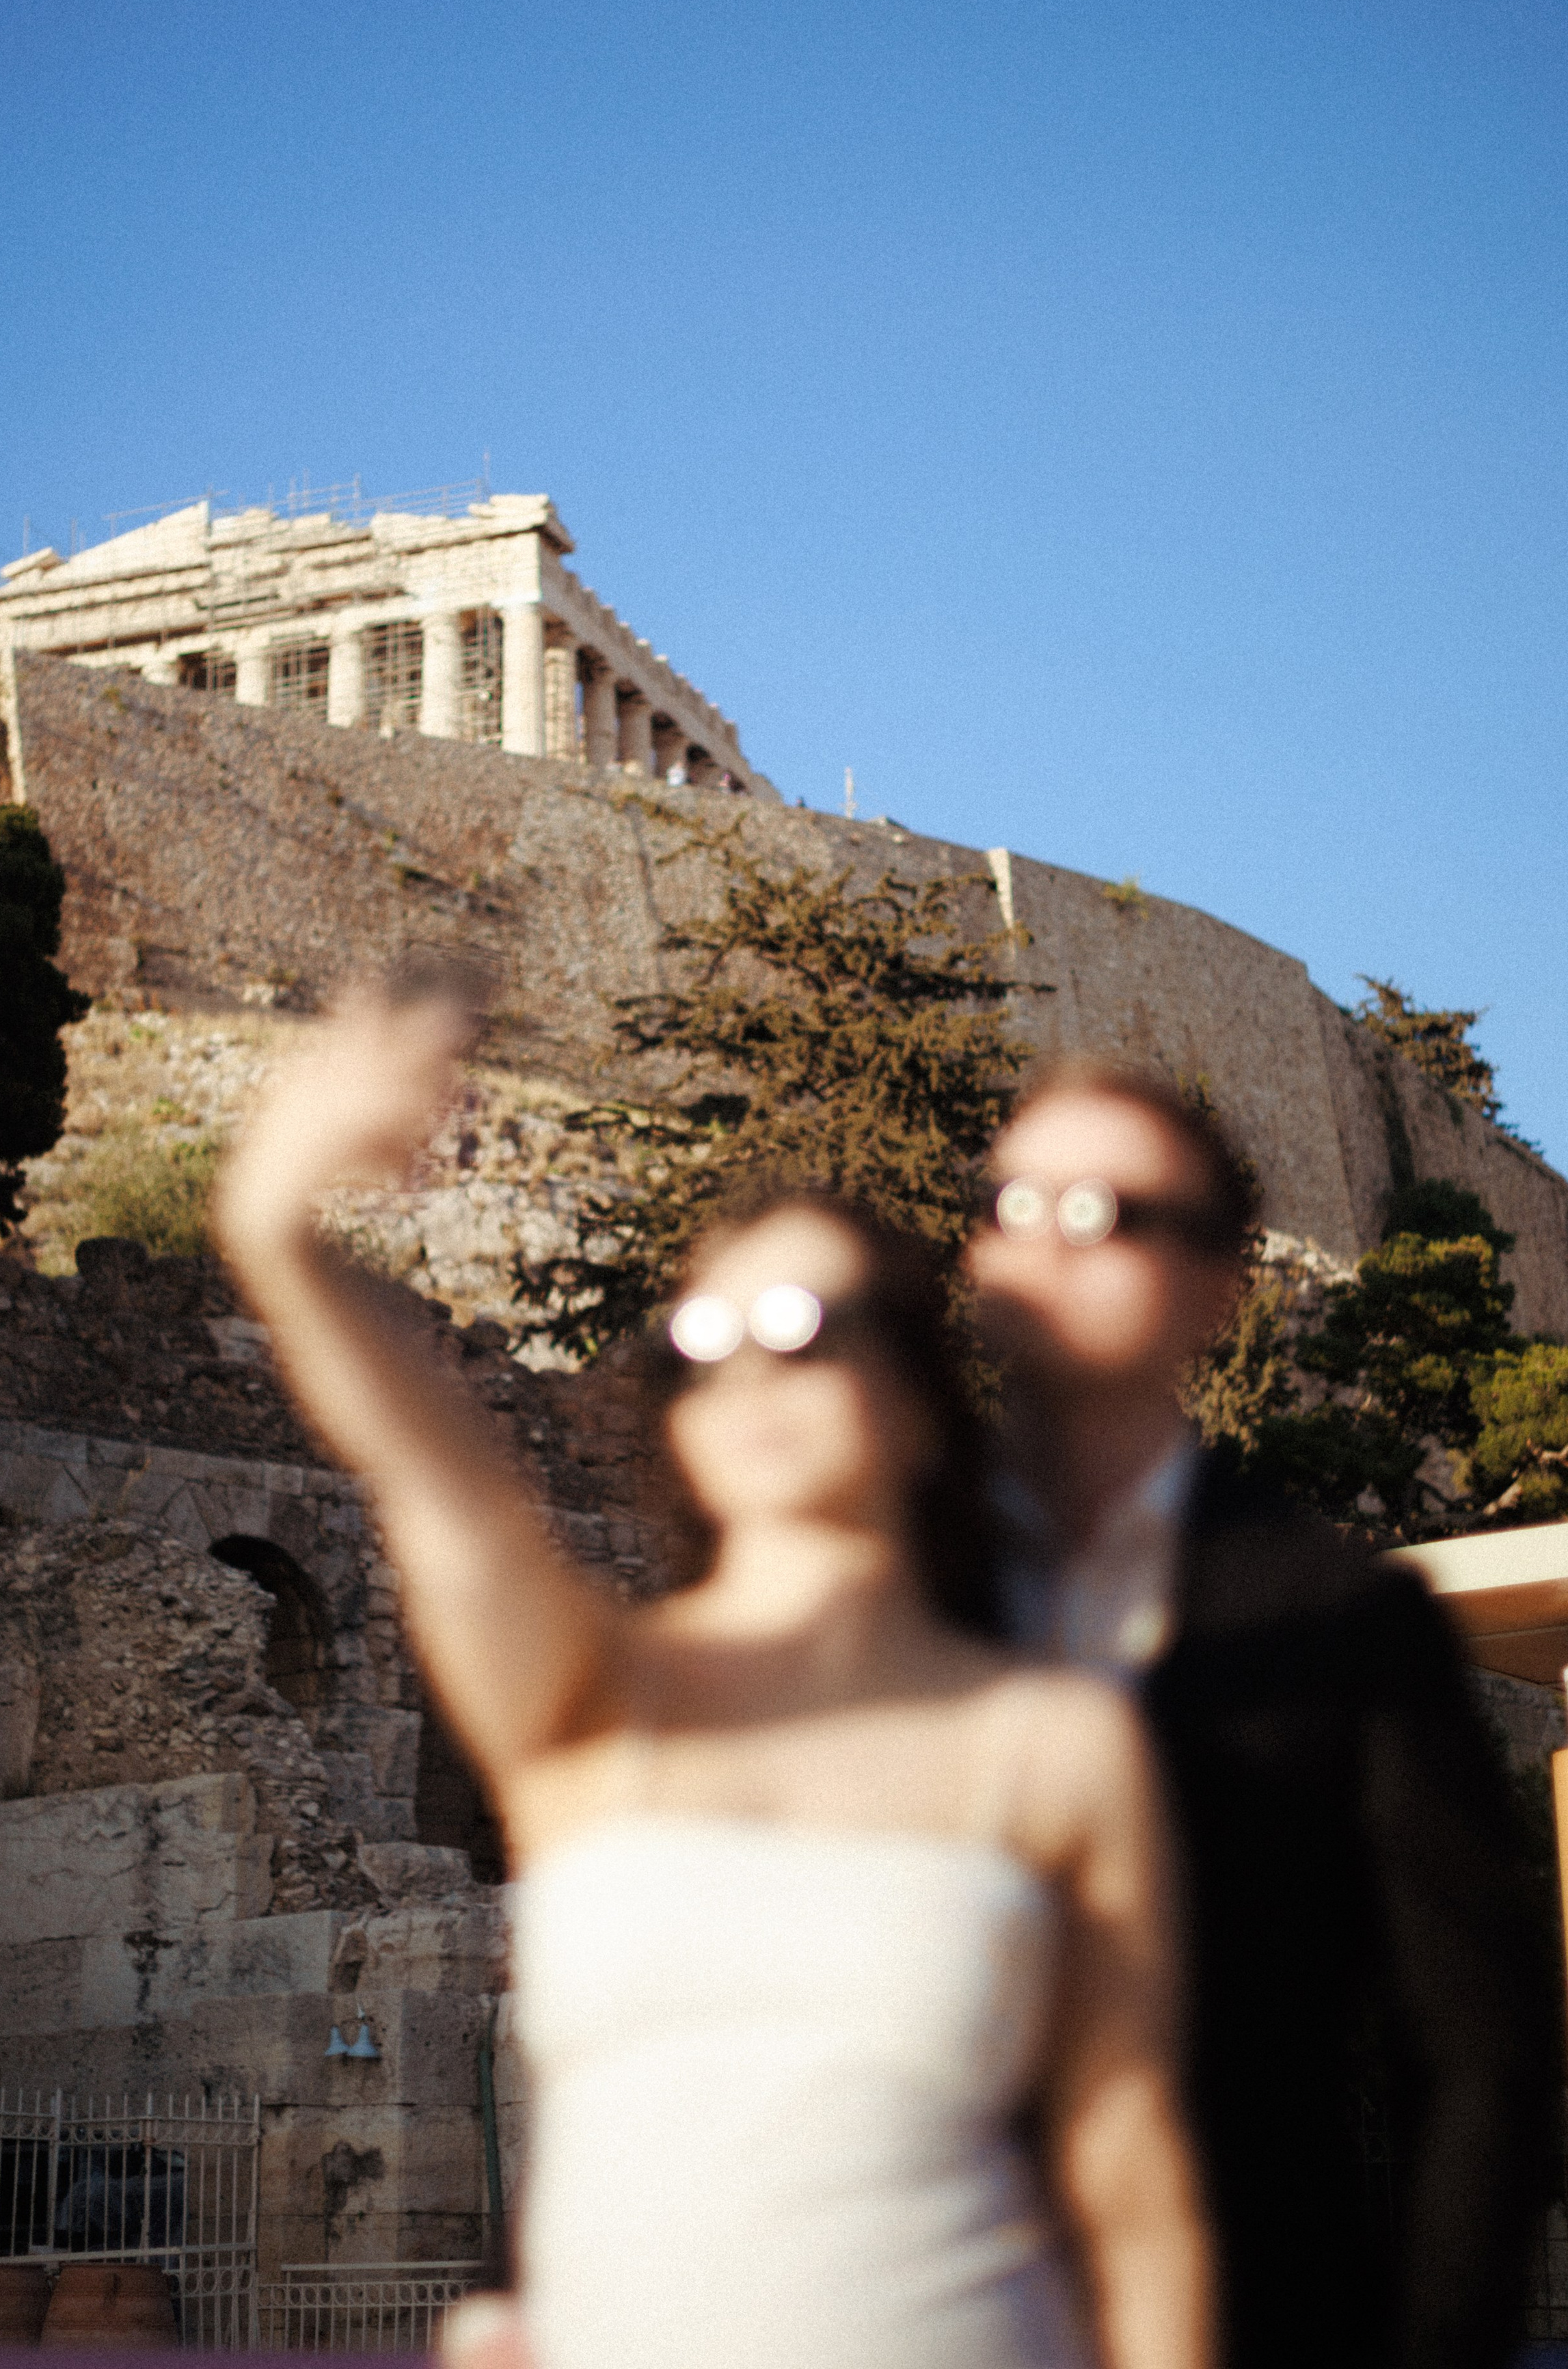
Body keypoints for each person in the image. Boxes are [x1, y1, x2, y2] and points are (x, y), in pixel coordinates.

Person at [214, 990, 1216, 2369]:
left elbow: (1130, 2176)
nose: (749, 1368)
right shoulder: (597, 1697)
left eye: (802, 1324)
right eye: (702, 1338)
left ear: (919, 1396)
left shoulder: (1054, 1744)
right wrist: (276, 1227)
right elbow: (444, 1494)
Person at [962, 1058, 1558, 2369]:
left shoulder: (1351, 1621)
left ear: (1219, 1284)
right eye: (1010, 1203)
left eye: (1102, 1212)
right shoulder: (894, 1594)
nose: (1046, 1243)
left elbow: (1475, 2053)